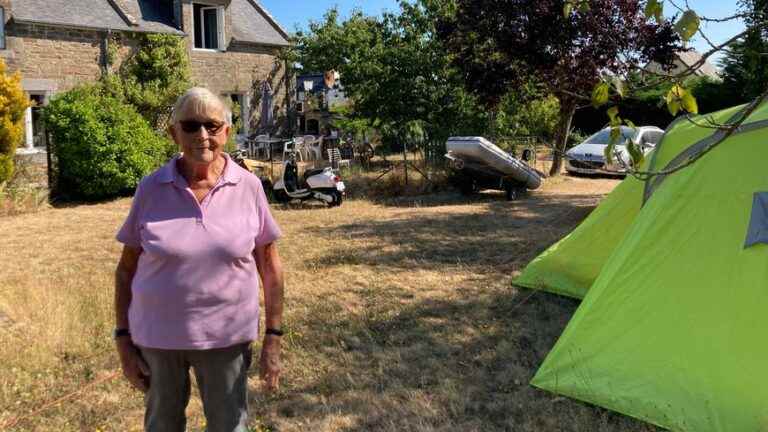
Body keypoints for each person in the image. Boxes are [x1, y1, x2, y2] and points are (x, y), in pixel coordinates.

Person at [114, 87, 285, 432]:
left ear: (226, 131)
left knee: (228, 427)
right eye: (190, 126)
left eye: (212, 125)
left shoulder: (249, 187)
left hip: (226, 339)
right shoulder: (151, 188)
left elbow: (270, 266)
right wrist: (122, 339)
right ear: (174, 132)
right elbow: (126, 269)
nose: (202, 135)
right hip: (157, 341)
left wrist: (273, 336)